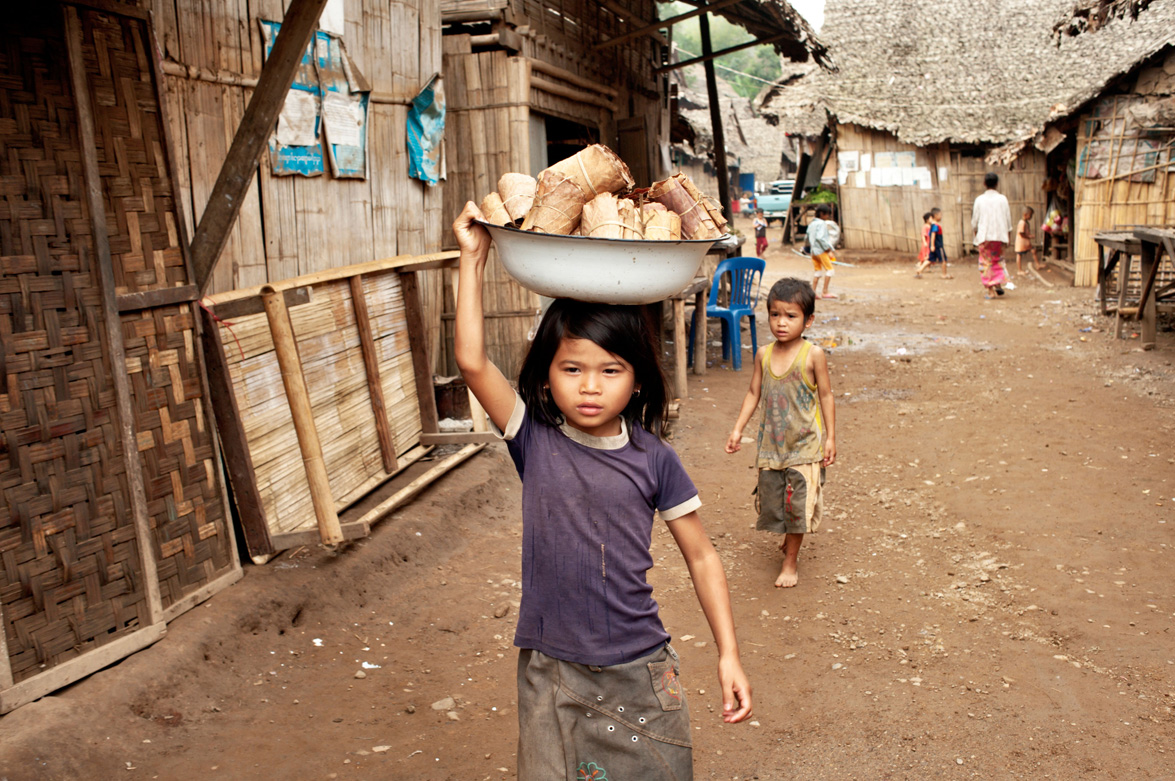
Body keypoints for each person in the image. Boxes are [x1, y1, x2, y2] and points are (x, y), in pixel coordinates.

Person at [452, 201, 753, 781]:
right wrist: (472, 259)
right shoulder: (532, 438)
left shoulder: (655, 460)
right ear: (546, 374)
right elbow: (470, 360)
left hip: (636, 671)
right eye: (572, 369)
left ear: (637, 377)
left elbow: (702, 556)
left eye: (610, 370)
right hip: (550, 669)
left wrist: (729, 654)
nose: (590, 387)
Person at [724, 278, 836, 589]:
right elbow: (753, 393)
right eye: (775, 315)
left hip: (805, 446)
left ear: (808, 320)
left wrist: (830, 437)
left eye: (791, 316)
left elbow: (826, 396)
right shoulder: (763, 354)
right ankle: (788, 540)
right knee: (775, 503)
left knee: (797, 506)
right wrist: (737, 429)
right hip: (772, 447)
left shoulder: (813, 356)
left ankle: (790, 560)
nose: (781, 323)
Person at [971, 172, 1012, 299]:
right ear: (997, 183)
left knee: (985, 263)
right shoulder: (1003, 199)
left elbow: (975, 221)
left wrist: (976, 235)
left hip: (984, 236)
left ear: (984, 184)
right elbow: (1008, 220)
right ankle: (998, 284)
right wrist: (1008, 236)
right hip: (999, 236)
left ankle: (990, 291)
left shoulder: (979, 200)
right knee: (998, 261)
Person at [806, 204, 838, 299]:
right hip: (821, 251)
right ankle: (825, 291)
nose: (827, 216)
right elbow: (820, 238)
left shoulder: (811, 224)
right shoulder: (822, 224)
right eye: (827, 214)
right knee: (830, 270)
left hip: (813, 252)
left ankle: (813, 292)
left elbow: (807, 237)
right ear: (822, 214)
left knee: (818, 272)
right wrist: (827, 248)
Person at [1015, 206, 1043, 275]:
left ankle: (1037, 264)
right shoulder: (1022, 223)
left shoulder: (1025, 222)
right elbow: (1021, 233)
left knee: (1033, 251)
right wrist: (1029, 236)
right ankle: (1019, 270)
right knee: (1019, 255)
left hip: (1026, 243)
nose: (1031, 217)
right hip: (1021, 243)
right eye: (1030, 215)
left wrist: (1029, 235)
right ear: (1025, 214)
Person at [914, 211, 932, 278]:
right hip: (926, 243)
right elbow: (923, 235)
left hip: (929, 243)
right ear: (927, 219)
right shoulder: (925, 226)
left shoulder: (930, 226)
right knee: (926, 256)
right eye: (931, 218)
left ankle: (927, 268)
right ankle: (920, 266)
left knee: (929, 255)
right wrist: (924, 242)